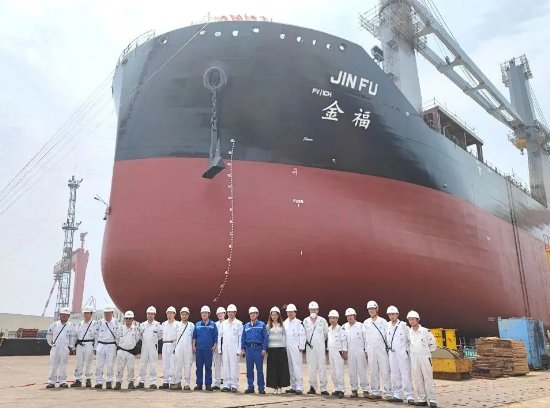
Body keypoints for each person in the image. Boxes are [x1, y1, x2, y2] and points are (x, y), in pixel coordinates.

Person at [407, 311, 437, 408]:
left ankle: (432, 399)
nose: (411, 321)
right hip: (414, 358)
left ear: (418, 320)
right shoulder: (409, 333)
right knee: (417, 378)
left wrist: (426, 353)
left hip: (425, 358)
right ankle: (422, 399)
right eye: (409, 319)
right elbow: (408, 345)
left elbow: (433, 345)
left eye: (413, 319)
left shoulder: (425, 331)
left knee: (428, 378)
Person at [364, 300, 392, 400]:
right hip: (371, 350)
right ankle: (375, 392)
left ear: (377, 309)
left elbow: (387, 336)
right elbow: (365, 338)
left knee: (385, 371)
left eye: (373, 308)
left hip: (382, 350)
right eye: (369, 309)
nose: (371, 310)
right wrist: (366, 351)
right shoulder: (366, 323)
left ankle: (388, 392)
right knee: (373, 371)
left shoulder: (383, 322)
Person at [386, 306, 414, 404]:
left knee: (405, 374)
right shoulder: (387, 325)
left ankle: (409, 395)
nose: (391, 316)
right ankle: (397, 394)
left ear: (397, 314)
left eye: (393, 314)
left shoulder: (403, 326)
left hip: (402, 353)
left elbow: (410, 339)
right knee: (394, 374)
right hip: (392, 353)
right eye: (390, 314)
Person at [303, 301, 329, 395]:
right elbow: (303, 334)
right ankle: (312, 387)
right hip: (310, 348)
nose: (313, 311)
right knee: (311, 367)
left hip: (320, 347)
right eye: (311, 310)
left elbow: (326, 334)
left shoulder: (322, 321)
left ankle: (324, 388)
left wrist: (319, 342)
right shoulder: (306, 321)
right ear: (309, 310)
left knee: (322, 367)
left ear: (318, 310)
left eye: (314, 309)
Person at [46, 307, 76, 388]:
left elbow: (73, 337)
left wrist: (71, 346)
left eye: (65, 315)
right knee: (53, 365)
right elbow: (49, 335)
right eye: (62, 314)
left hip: (65, 348)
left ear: (68, 316)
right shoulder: (54, 325)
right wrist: (51, 344)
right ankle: (51, 381)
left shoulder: (71, 326)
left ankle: (63, 381)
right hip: (55, 347)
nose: (63, 316)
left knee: (63, 365)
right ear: (60, 315)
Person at [241, 306, 268, 394]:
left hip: (258, 349)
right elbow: (243, 338)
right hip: (249, 349)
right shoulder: (246, 326)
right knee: (249, 369)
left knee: (259, 369)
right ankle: (250, 387)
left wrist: (264, 348)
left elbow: (265, 338)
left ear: (257, 314)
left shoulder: (262, 325)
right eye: (251, 314)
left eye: (254, 313)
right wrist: (242, 349)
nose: (252, 315)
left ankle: (261, 387)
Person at [342, 308, 368, 398]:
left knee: (362, 370)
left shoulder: (361, 326)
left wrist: (366, 351)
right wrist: (344, 351)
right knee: (352, 371)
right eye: (348, 316)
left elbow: (365, 339)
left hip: (360, 351)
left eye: (351, 315)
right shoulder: (344, 327)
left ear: (355, 316)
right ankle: (354, 389)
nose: (349, 317)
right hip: (350, 352)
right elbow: (343, 340)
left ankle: (365, 389)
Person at [95, 304, 121, 389]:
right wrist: (95, 347)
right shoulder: (100, 322)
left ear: (112, 313)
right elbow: (96, 335)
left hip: (111, 345)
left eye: (109, 312)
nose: (107, 314)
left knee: (110, 365)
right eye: (106, 313)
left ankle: (109, 381)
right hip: (101, 345)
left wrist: (118, 346)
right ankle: (99, 382)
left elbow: (119, 335)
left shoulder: (116, 322)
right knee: (99, 365)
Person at [192, 305, 218, 391]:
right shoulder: (197, 324)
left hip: (208, 350)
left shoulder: (213, 324)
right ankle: (199, 384)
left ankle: (208, 384)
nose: (204, 314)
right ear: (201, 314)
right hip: (199, 349)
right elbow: (194, 337)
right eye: (203, 313)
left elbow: (215, 337)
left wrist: (215, 346)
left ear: (209, 314)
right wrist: (193, 346)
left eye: (206, 313)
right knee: (199, 367)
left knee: (208, 367)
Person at [218, 304, 242, 393]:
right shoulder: (223, 323)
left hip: (234, 348)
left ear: (235, 313)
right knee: (226, 366)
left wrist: (239, 349)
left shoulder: (239, 323)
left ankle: (234, 385)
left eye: (232, 312)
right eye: (229, 312)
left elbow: (241, 337)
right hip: (225, 348)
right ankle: (226, 384)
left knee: (234, 366)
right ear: (227, 313)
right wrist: (220, 349)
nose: (230, 313)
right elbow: (219, 336)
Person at [71, 305, 97, 388]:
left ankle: (88, 380)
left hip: (89, 344)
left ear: (91, 314)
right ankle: (77, 380)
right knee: (78, 363)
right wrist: (73, 347)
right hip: (80, 345)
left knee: (89, 362)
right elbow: (75, 336)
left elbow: (96, 337)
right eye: (85, 313)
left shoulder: (95, 324)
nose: (86, 314)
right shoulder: (79, 324)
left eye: (88, 313)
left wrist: (95, 348)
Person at [266, 306, 290, 394]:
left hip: (281, 349)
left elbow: (284, 336)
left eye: (275, 315)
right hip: (272, 349)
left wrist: (284, 347)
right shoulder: (268, 326)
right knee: (273, 369)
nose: (274, 316)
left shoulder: (282, 325)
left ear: (278, 315)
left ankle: (280, 386)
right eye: (272, 315)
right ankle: (274, 387)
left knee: (281, 368)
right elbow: (266, 337)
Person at [137, 306, 162, 389]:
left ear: (154, 315)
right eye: (148, 314)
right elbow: (140, 336)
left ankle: (153, 382)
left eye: (151, 314)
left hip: (153, 347)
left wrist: (154, 341)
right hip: (144, 346)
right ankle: (141, 381)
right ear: (146, 314)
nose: (150, 315)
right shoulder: (143, 325)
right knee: (142, 364)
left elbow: (160, 335)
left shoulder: (157, 325)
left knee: (153, 364)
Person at [283, 303, 306, 395]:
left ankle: (299, 387)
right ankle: (293, 386)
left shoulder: (299, 323)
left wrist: (301, 346)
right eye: (288, 312)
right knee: (290, 367)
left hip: (296, 348)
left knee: (297, 367)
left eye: (291, 312)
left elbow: (302, 335)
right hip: (287, 347)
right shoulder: (285, 323)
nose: (290, 313)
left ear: (295, 313)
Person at [115, 310, 140, 390]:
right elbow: (117, 339)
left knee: (131, 368)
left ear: (132, 319)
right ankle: (118, 382)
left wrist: (131, 346)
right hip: (121, 351)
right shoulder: (120, 328)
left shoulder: (135, 329)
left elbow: (137, 339)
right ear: (124, 319)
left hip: (131, 351)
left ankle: (131, 383)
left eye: (130, 318)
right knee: (120, 368)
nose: (128, 320)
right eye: (126, 318)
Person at [172, 307, 195, 390]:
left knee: (188, 365)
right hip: (179, 347)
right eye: (183, 314)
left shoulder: (191, 325)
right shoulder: (176, 325)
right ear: (180, 315)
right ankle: (177, 382)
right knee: (178, 365)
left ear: (188, 315)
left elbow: (193, 337)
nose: (184, 316)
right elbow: (174, 337)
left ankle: (187, 383)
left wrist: (193, 347)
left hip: (188, 348)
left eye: (186, 314)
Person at [327, 310, 347, 398]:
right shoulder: (328, 329)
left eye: (334, 318)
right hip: (331, 352)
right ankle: (336, 388)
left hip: (338, 352)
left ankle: (342, 389)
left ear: (337, 319)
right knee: (333, 371)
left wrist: (344, 352)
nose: (332, 320)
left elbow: (344, 341)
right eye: (330, 318)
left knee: (339, 371)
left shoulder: (340, 329)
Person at [161, 306, 178, 389]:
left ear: (174, 314)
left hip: (173, 344)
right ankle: (165, 381)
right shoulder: (163, 324)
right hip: (165, 344)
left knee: (172, 363)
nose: (169, 315)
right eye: (168, 313)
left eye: (171, 313)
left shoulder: (177, 324)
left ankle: (172, 381)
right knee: (165, 363)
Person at [213, 306, 226, 390]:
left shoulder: (227, 323)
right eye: (218, 314)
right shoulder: (215, 324)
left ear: (225, 314)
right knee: (217, 365)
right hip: (217, 347)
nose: (220, 315)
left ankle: (226, 383)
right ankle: (217, 382)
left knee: (226, 365)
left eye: (221, 313)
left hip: (225, 347)